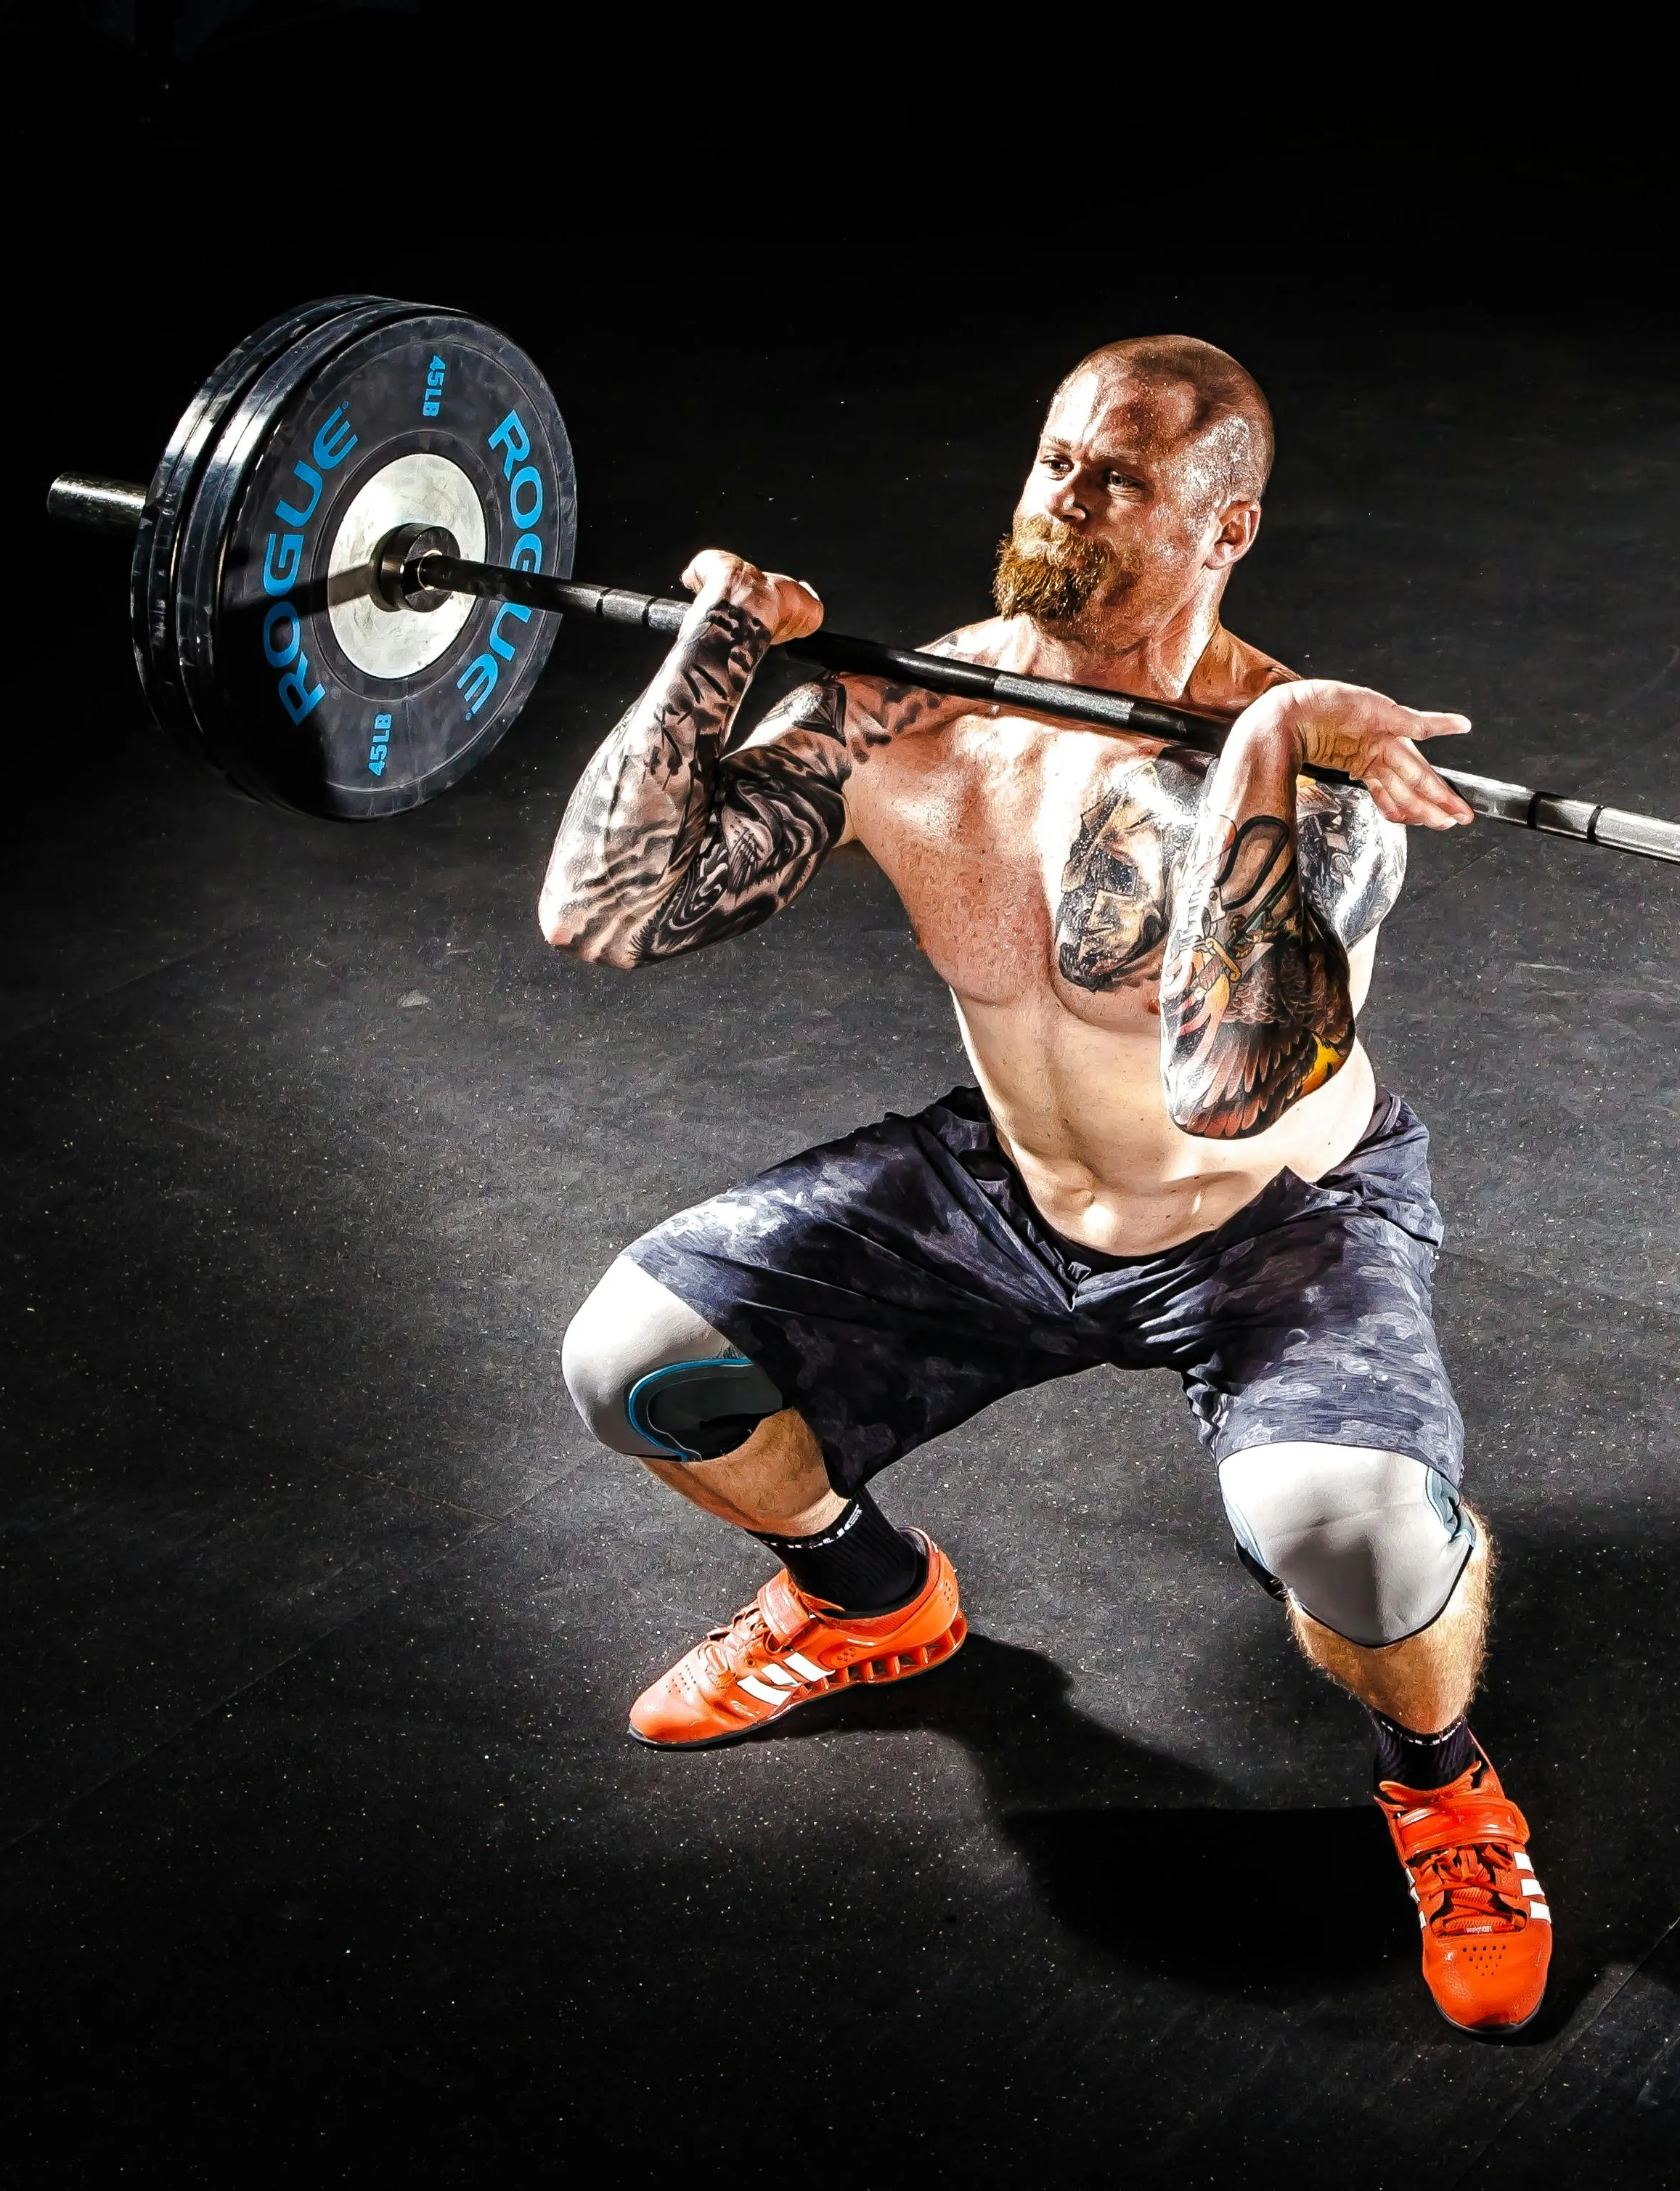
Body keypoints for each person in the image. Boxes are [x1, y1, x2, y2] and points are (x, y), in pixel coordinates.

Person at [536, 336, 1549, 2034]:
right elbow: (610, 908)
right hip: (1007, 1185)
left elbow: (1224, 1087)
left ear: (1223, 528)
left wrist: (1256, 754)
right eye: (1054, 459)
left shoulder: (1314, 768)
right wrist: (714, 654)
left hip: (1269, 1223)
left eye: (1120, 478)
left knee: (1347, 1538)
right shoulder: (903, 714)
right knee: (630, 1364)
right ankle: (869, 1606)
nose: (1064, 500)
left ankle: (1439, 1784)